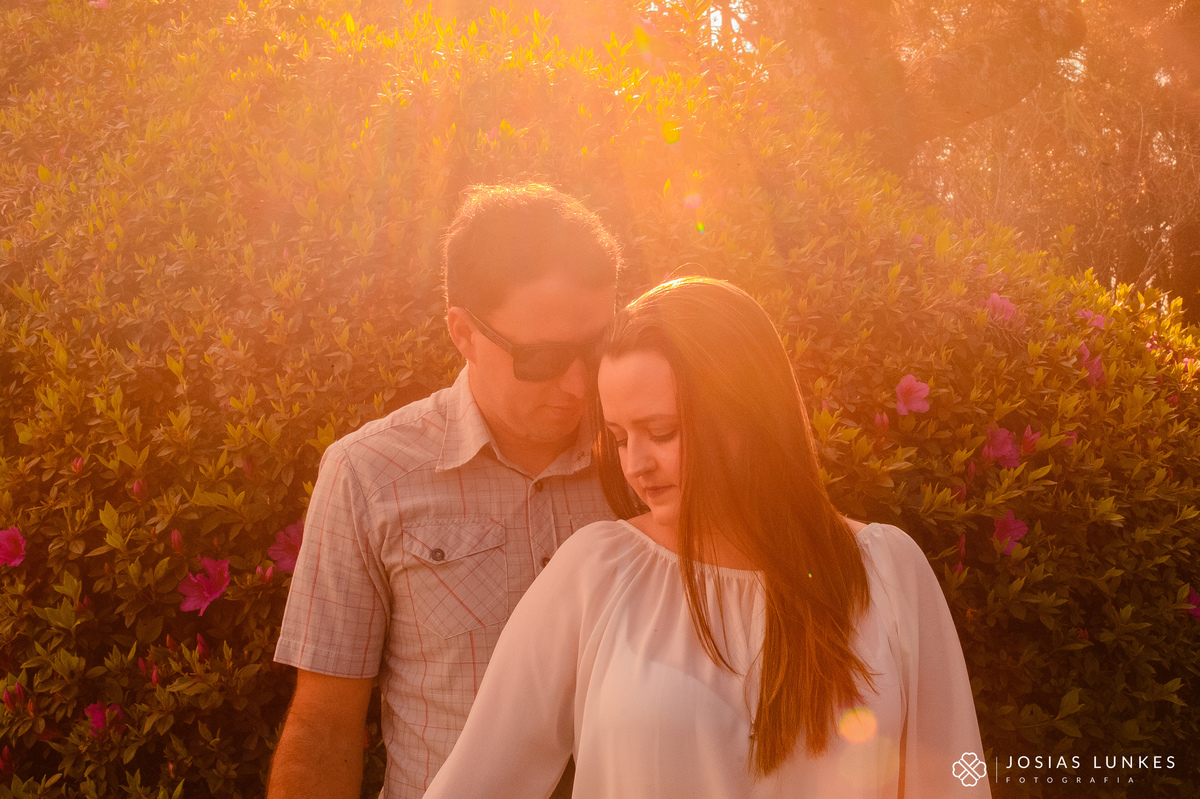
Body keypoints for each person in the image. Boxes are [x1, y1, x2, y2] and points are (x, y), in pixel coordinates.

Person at [423, 277, 991, 798]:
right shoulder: (596, 574)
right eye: (618, 438)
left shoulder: (884, 572)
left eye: (661, 431)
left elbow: (957, 779)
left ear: (744, 416)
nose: (635, 465)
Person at [266, 183, 623, 799]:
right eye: (541, 357)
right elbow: (326, 723)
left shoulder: (645, 455)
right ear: (463, 333)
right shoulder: (369, 473)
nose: (578, 382)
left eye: (599, 346)